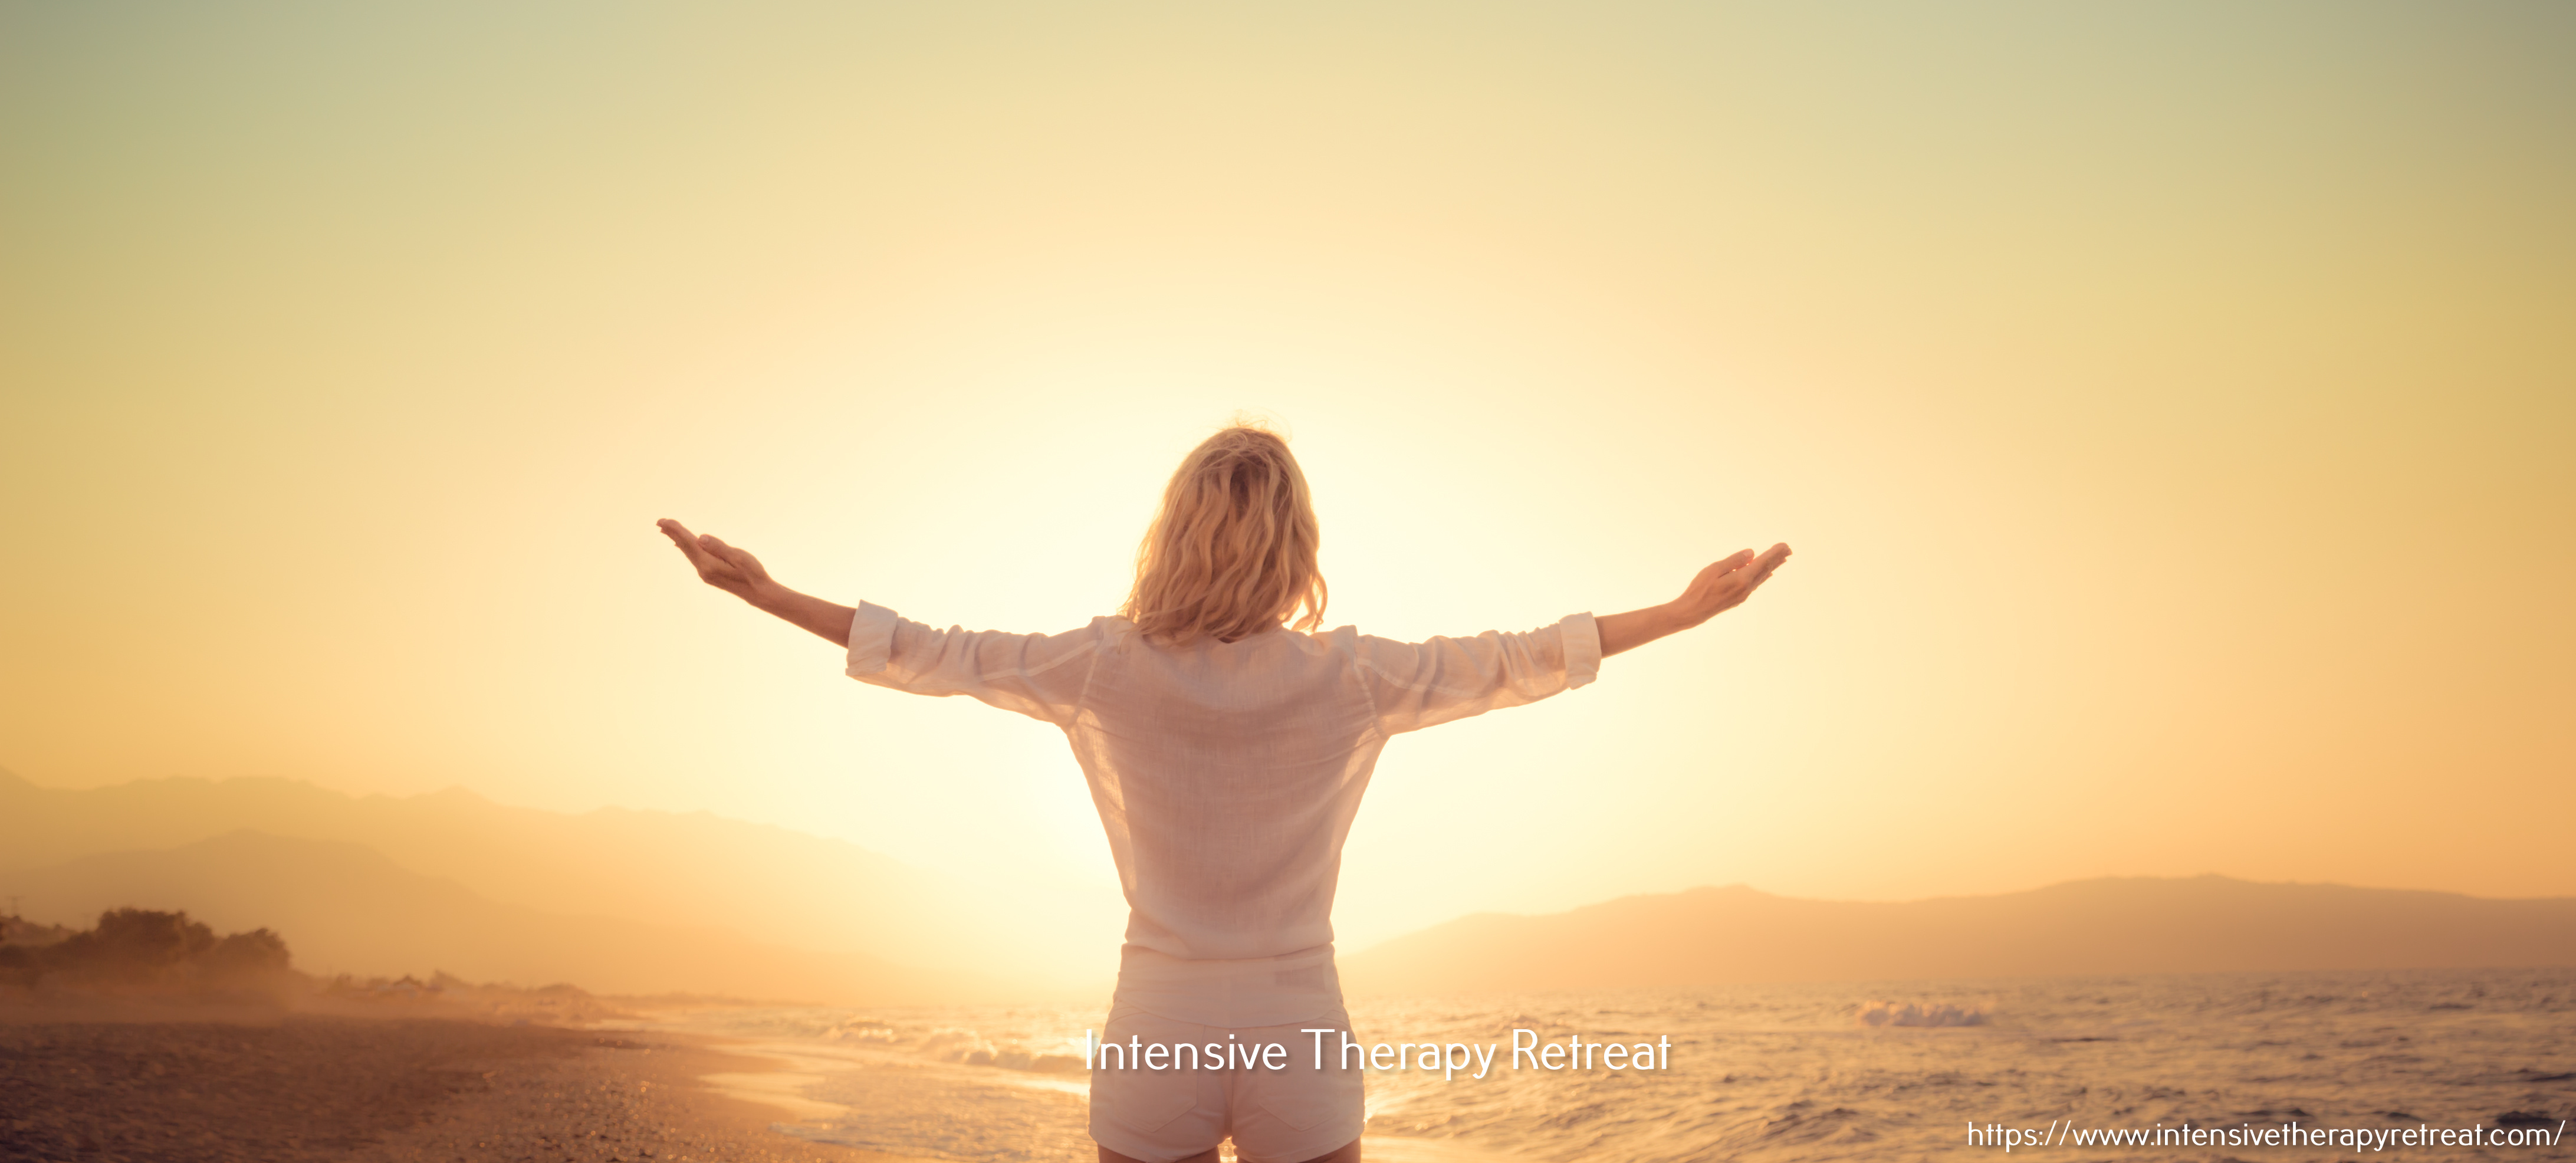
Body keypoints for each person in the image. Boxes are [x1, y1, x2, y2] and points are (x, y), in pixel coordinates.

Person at [660, 424, 1789, 1163]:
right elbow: (1519, 657)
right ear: (1299, 544)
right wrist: (1682, 614)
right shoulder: (1352, 675)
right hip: (1301, 1019)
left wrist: (767, 596)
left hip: (1159, 1020)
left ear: (1173, 534)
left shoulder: (1103, 665)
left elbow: (932, 652)